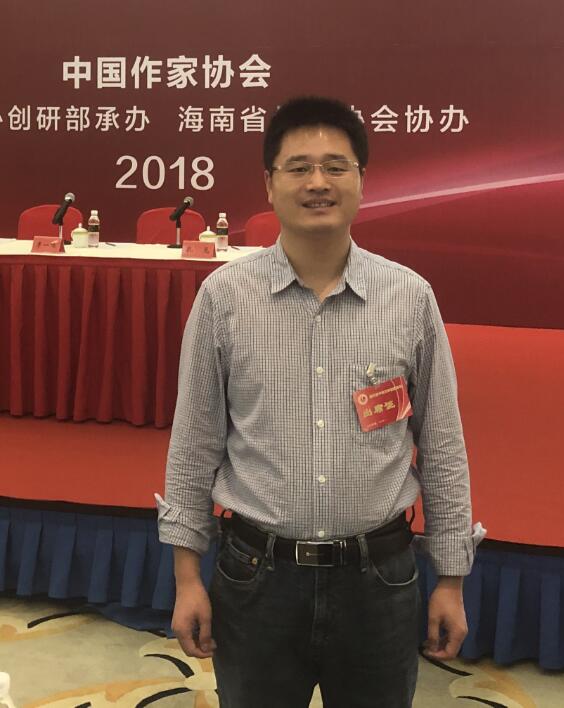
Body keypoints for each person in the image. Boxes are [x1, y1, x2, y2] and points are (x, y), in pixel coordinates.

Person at [157, 95, 484, 708]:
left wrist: (452, 578)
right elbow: (194, 443)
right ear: (269, 183)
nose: (318, 182)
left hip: (378, 581)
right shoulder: (224, 299)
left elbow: (442, 444)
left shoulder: (409, 297)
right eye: (299, 167)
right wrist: (185, 578)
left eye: (336, 167)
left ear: (361, 181)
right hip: (256, 580)